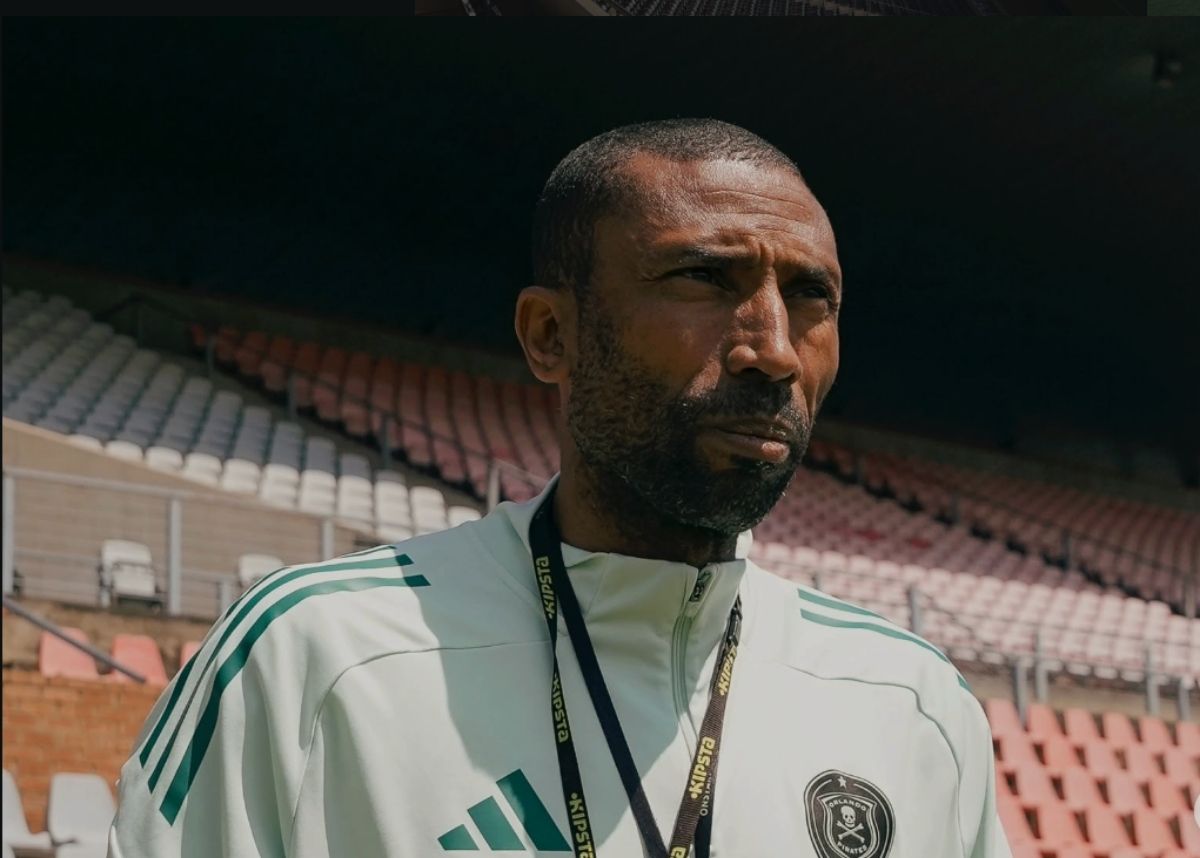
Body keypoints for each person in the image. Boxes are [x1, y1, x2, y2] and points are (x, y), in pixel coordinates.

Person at [109, 118, 1011, 858]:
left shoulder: (913, 700)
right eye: (704, 278)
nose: (773, 348)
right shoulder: (315, 654)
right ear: (550, 336)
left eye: (812, 296)